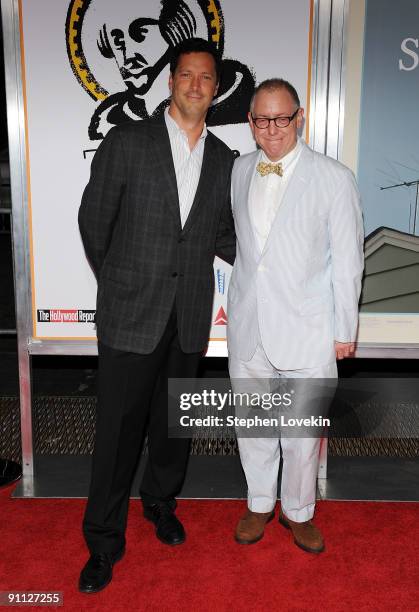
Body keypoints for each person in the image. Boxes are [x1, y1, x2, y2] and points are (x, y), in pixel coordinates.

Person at [78, 37, 235, 593]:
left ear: (216, 89)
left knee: (174, 427)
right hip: (131, 312)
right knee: (117, 434)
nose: (196, 84)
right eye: (187, 74)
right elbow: (94, 221)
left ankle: (161, 504)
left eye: (206, 78)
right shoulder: (128, 141)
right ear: (170, 81)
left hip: (189, 315)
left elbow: (223, 235)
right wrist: (120, 282)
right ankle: (102, 540)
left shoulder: (224, 160)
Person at [227, 78, 364, 553]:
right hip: (249, 326)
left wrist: (345, 329)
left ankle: (299, 511)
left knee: (302, 434)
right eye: (261, 120)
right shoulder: (240, 171)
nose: (272, 129)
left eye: (281, 118)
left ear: (299, 117)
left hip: (308, 329)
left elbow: (348, 260)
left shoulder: (333, 177)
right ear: (250, 122)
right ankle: (260, 502)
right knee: (254, 425)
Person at [87, 0, 255, 139]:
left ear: (174, 30)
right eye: (118, 41)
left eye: (140, 35)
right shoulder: (109, 124)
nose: (128, 55)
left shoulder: (235, 103)